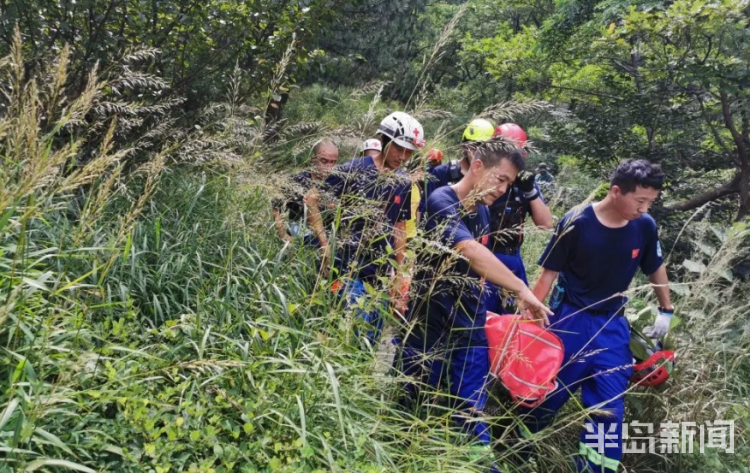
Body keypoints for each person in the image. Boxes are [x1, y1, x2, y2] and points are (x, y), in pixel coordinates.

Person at [393, 136, 553, 469]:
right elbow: (470, 251)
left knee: (471, 403)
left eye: (509, 183)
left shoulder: (483, 209)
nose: (503, 189)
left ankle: (482, 463)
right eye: (501, 179)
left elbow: (481, 265)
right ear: (478, 166)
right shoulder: (441, 201)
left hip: (468, 323)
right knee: (412, 397)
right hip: (429, 322)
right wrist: (522, 289)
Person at [519, 159, 674, 473]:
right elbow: (549, 274)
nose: (644, 208)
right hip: (570, 322)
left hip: (612, 326)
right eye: (640, 200)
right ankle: (517, 452)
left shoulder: (644, 226)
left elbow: (654, 265)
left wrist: (665, 310)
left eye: (650, 202)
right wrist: (529, 318)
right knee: (546, 397)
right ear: (616, 191)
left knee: (609, 410)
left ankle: (596, 469)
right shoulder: (577, 222)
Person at [306, 112, 424, 345]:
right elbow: (312, 199)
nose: (403, 156)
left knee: (372, 335)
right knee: (352, 331)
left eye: (409, 152)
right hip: (346, 267)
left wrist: (399, 275)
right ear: (384, 141)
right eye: (399, 149)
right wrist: (324, 244)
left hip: (379, 273)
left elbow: (399, 228)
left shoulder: (403, 182)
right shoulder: (355, 170)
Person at [485, 123, 553, 313]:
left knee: (511, 317)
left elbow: (546, 224)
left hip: (511, 256)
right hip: (484, 254)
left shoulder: (525, 185)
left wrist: (530, 192)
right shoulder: (485, 177)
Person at [272, 139, 338, 246]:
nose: (328, 167)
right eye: (324, 161)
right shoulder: (297, 180)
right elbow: (276, 208)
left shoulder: (338, 182)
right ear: (313, 159)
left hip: (331, 233)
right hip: (301, 230)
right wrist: (283, 235)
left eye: (333, 162)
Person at [423, 118, 496, 204]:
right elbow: (424, 208)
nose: (479, 152)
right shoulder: (441, 173)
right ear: (465, 146)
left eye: (485, 148)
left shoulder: (487, 179)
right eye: (475, 146)